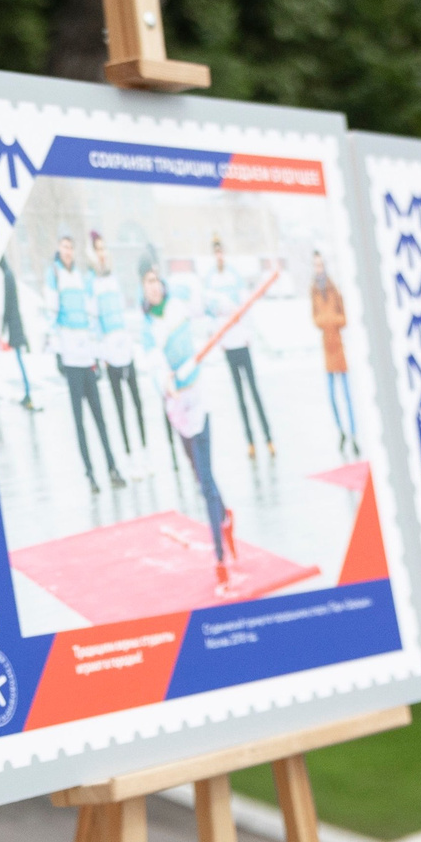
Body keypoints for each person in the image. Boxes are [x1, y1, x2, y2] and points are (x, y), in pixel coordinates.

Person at [144, 267, 237, 592]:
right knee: (200, 476)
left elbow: (207, 303)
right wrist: (165, 381)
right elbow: (154, 364)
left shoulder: (179, 303)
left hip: (199, 399)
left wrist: (226, 307)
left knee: (205, 482)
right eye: (147, 283)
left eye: (156, 280)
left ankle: (219, 558)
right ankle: (224, 517)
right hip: (177, 408)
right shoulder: (148, 327)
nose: (154, 287)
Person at [44, 233, 123, 491]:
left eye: (71, 247)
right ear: (59, 249)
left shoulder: (81, 278)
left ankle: (112, 467)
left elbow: (91, 316)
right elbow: (51, 312)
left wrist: (97, 354)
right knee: (79, 421)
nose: (67, 251)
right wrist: (57, 352)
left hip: (87, 356)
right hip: (70, 358)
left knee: (100, 417)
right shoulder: (54, 275)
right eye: (64, 247)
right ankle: (90, 474)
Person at [205, 236, 275, 460]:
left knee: (254, 391)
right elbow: (211, 314)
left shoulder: (234, 276)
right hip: (228, 346)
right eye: (215, 252)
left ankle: (268, 438)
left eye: (221, 252)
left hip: (242, 342)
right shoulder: (210, 281)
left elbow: (246, 306)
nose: (219, 256)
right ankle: (250, 441)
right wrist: (219, 341)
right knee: (240, 396)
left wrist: (248, 335)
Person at [92, 232, 147, 455]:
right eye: (98, 250)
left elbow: (123, 312)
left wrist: (129, 341)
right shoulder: (92, 283)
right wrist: (102, 352)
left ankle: (144, 448)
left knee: (137, 402)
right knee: (120, 405)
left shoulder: (114, 280)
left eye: (104, 249)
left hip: (125, 348)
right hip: (110, 352)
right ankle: (128, 451)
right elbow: (94, 320)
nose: (102, 254)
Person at [310, 251, 356, 457]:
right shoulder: (314, 292)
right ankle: (341, 431)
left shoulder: (333, 289)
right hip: (326, 348)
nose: (319, 269)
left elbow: (343, 318)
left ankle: (353, 433)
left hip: (338, 345)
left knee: (346, 395)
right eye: (316, 266)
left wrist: (329, 319)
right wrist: (327, 320)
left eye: (321, 265)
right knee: (332, 396)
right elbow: (316, 319)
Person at [0, 261, 40, 410]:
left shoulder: (7, 277)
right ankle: (27, 393)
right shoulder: (9, 275)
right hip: (15, 324)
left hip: (14, 325)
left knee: (21, 362)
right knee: (20, 361)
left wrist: (3, 325)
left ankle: (28, 393)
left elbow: (7, 303)